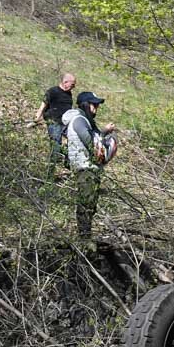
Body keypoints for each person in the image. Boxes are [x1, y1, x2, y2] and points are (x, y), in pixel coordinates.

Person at [62, 92, 117, 241]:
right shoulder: (79, 120)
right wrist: (107, 146)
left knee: (89, 205)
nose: (96, 109)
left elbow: (92, 138)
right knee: (86, 205)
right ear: (86, 104)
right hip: (85, 169)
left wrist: (104, 132)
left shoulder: (83, 120)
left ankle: (85, 237)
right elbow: (93, 146)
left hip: (87, 168)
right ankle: (84, 240)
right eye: (94, 105)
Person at [36, 73, 76, 168]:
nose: (73, 87)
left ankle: (67, 163)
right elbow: (44, 104)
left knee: (74, 140)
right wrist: (37, 116)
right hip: (54, 122)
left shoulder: (69, 94)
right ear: (65, 82)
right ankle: (50, 171)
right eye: (72, 85)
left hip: (66, 123)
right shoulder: (53, 91)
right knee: (56, 146)